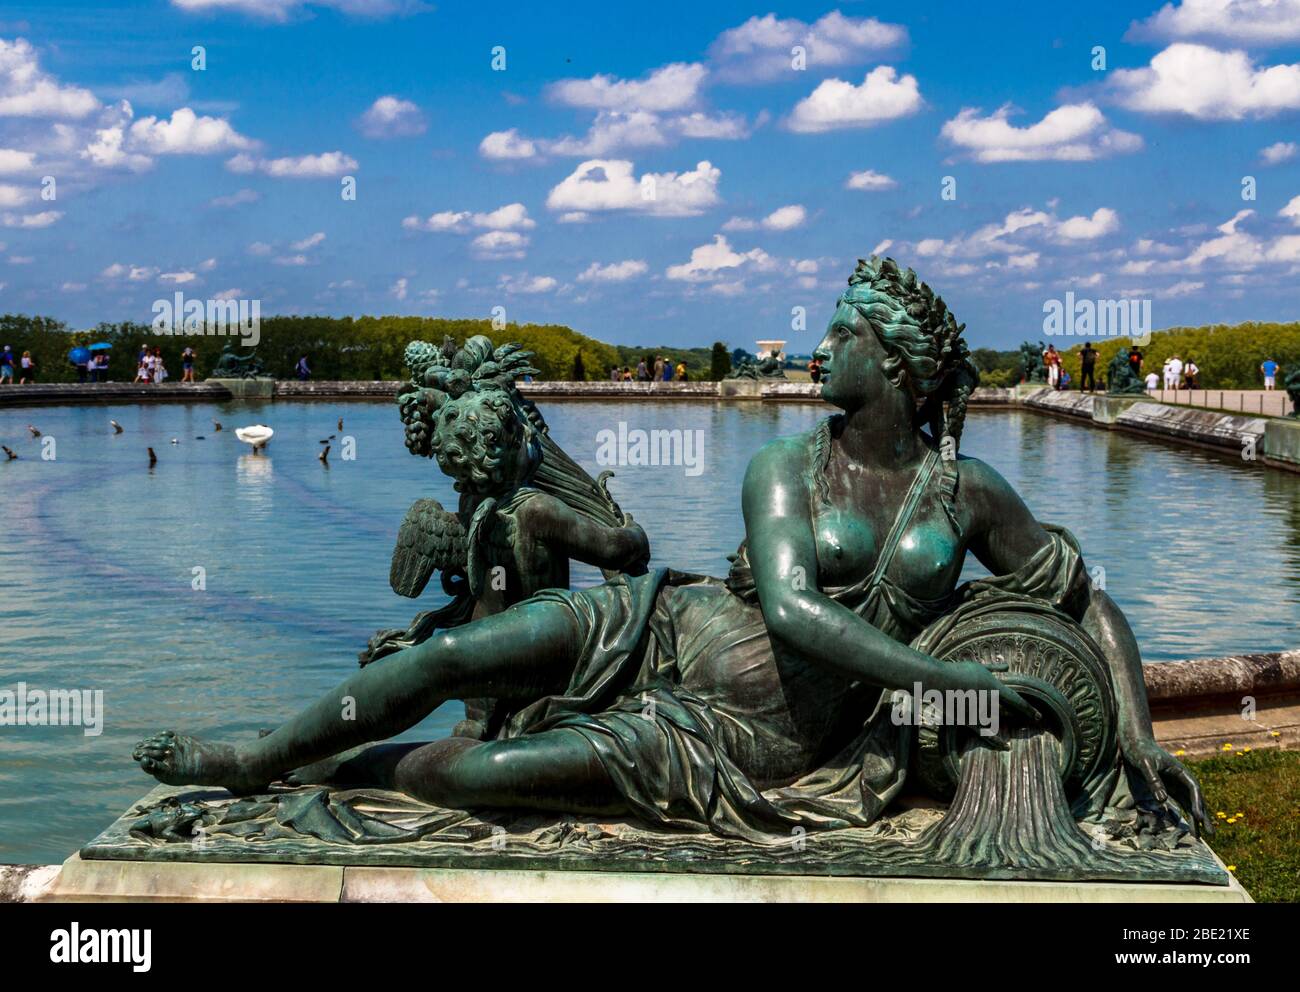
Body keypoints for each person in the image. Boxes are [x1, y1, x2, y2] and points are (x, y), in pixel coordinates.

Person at [133, 256, 1211, 843]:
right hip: (661, 624)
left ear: (891, 366)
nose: (821, 346)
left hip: (750, 735)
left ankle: (350, 766)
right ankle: (254, 759)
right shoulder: (784, 467)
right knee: (452, 655)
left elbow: (1078, 598)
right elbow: (789, 609)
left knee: (494, 772)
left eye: (840, 335)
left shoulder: (967, 490)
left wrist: (1134, 724)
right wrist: (948, 675)